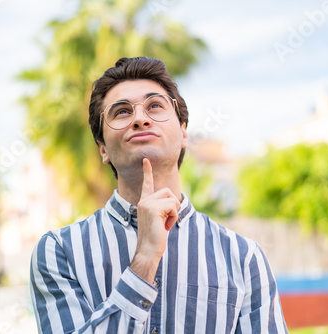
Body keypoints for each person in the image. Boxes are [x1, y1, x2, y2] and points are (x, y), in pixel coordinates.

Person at [30, 57, 288, 333]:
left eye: (155, 106)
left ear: (184, 133)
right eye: (121, 112)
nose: (140, 119)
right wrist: (144, 260)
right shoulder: (59, 252)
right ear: (103, 149)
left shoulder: (243, 257)